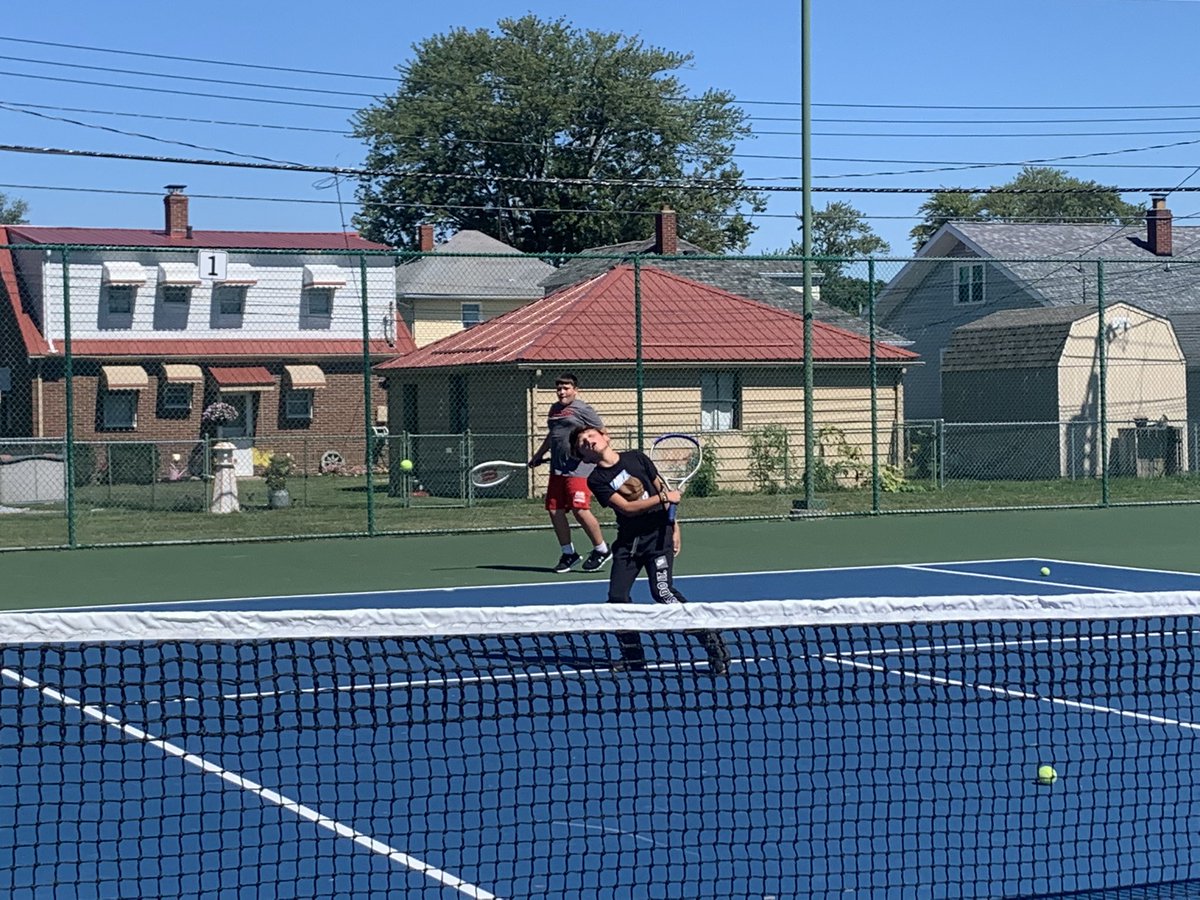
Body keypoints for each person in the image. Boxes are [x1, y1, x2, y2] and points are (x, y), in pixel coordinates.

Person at [570, 425, 730, 675]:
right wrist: (666, 499)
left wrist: (675, 526)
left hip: (658, 539)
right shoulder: (596, 480)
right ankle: (633, 656)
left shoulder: (637, 458)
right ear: (584, 456)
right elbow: (627, 508)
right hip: (628, 545)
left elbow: (660, 488)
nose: (587, 441)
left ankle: (712, 643)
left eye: (590, 435)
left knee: (663, 592)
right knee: (617, 599)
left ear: (605, 436)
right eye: (581, 443)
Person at [528, 373, 611, 574]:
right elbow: (553, 436)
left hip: (579, 469)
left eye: (566, 388)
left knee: (579, 509)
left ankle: (601, 549)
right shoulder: (555, 410)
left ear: (575, 390)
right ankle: (568, 553)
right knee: (554, 510)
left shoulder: (583, 409)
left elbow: (604, 434)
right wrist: (538, 455)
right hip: (558, 468)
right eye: (559, 389)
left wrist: (595, 455)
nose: (562, 392)